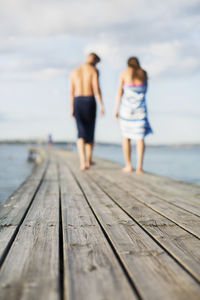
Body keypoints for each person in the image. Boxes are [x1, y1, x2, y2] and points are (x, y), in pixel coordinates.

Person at [114, 57, 152, 174]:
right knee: (140, 138)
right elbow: (145, 90)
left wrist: (116, 110)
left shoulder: (124, 73)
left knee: (126, 137)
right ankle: (139, 167)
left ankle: (128, 165)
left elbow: (119, 92)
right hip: (140, 109)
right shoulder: (143, 73)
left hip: (126, 109)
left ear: (128, 64)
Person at [69, 53, 104, 170]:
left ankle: (82, 162)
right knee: (90, 131)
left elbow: (71, 92)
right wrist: (101, 105)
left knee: (80, 133)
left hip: (77, 100)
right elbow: (96, 89)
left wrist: (71, 108)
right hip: (89, 100)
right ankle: (88, 161)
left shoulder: (74, 71)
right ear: (95, 61)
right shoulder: (93, 70)